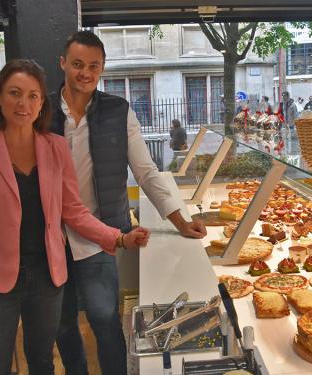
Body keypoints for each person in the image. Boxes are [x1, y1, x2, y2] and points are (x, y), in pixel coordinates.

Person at [0, 59, 150, 375]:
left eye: (33, 96)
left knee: (42, 360)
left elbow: (73, 210)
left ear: (42, 102)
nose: (23, 103)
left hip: (47, 275)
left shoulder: (55, 147)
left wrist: (118, 237)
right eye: (14, 93)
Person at [51, 31, 207, 375]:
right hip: (54, 237)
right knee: (62, 325)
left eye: (93, 66)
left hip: (100, 235)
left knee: (105, 319)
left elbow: (146, 171)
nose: (85, 73)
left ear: (102, 69)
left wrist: (180, 220)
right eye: (77, 64)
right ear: (63, 64)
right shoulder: (42, 112)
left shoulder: (118, 111)